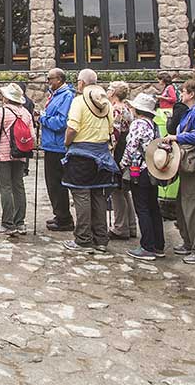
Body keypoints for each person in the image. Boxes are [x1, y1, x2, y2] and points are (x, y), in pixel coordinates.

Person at [160, 77, 195, 264]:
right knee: (184, 205)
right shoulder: (194, 111)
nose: (181, 94)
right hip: (188, 163)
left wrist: (177, 137)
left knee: (194, 205)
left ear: (192, 94)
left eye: (183, 91)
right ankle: (190, 242)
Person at [61, 69, 117, 253]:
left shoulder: (79, 101)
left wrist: (67, 143)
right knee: (98, 196)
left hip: (81, 154)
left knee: (81, 196)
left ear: (82, 83)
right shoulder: (106, 102)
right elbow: (111, 128)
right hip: (101, 153)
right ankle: (101, 238)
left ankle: (83, 239)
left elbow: (72, 128)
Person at [0, 83, 33, 235]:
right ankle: (20, 222)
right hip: (20, 154)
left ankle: (7, 223)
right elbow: (31, 135)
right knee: (18, 186)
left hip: (3, 155)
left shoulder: (2, 112)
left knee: (5, 187)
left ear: (7, 97)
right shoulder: (26, 113)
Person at [122, 93, 163, 260]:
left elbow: (132, 147)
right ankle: (158, 244)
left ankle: (147, 246)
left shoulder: (138, 124)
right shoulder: (153, 125)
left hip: (139, 169)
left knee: (143, 207)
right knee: (153, 207)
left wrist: (122, 164)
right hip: (153, 168)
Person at [40, 68, 77, 232]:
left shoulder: (67, 96)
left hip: (57, 145)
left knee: (57, 182)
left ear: (60, 80)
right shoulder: (55, 95)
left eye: (50, 79)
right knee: (52, 183)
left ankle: (64, 218)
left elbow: (61, 122)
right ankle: (60, 214)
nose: (48, 82)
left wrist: (43, 118)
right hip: (50, 144)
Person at [107, 81, 138, 241]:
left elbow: (115, 133)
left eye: (109, 89)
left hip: (118, 151)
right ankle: (131, 224)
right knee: (124, 190)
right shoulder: (127, 108)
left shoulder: (115, 109)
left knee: (116, 190)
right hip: (126, 148)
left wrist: (109, 150)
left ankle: (120, 227)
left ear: (113, 93)